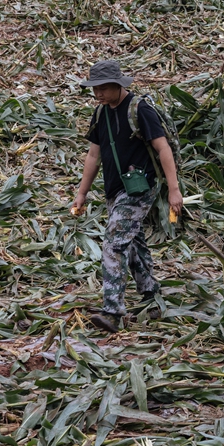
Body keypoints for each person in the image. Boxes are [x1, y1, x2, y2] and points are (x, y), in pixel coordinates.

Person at [71, 60, 184, 333]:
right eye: (94, 88)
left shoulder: (139, 109)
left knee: (113, 244)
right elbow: (93, 155)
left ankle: (112, 312)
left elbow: (163, 149)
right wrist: (82, 193)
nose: (97, 93)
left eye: (102, 88)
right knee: (133, 243)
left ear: (118, 85)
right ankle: (151, 296)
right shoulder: (100, 114)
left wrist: (174, 189)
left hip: (140, 188)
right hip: (114, 189)